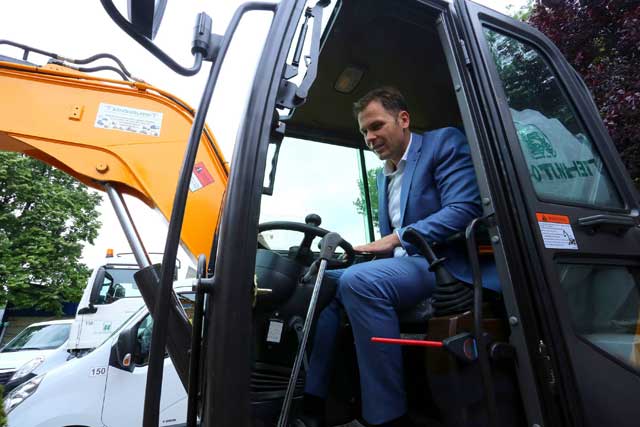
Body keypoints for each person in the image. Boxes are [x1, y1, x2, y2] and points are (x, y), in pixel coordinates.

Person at [297, 87, 496, 427]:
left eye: (376, 126)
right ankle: (315, 400)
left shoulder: (442, 144)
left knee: (360, 282)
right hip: (404, 265)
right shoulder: (383, 175)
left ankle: (388, 416)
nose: (369, 138)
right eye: (364, 131)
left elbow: (464, 209)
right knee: (321, 281)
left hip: (441, 263)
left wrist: (392, 240)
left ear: (403, 119)